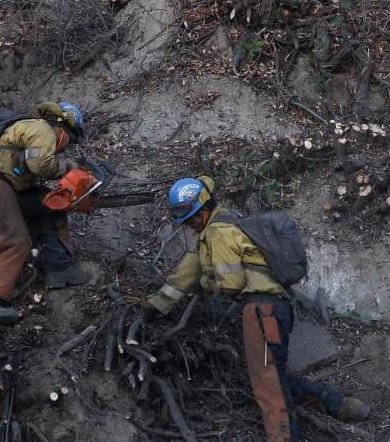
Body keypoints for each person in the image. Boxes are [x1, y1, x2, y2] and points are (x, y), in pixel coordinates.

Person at [140, 176, 369, 442]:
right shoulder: (224, 225)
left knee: (268, 385)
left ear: (202, 210)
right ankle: (337, 403)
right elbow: (184, 275)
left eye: (190, 218)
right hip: (275, 308)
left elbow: (231, 283)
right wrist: (155, 303)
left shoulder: (218, 232)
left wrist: (205, 283)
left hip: (261, 310)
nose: (188, 225)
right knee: (272, 374)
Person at [0, 102, 91, 325]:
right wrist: (70, 167)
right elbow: (42, 165)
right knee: (14, 238)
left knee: (49, 205)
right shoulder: (42, 129)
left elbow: (33, 168)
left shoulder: (32, 132)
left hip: (4, 183)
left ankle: (60, 267)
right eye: (70, 140)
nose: (65, 147)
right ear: (64, 128)